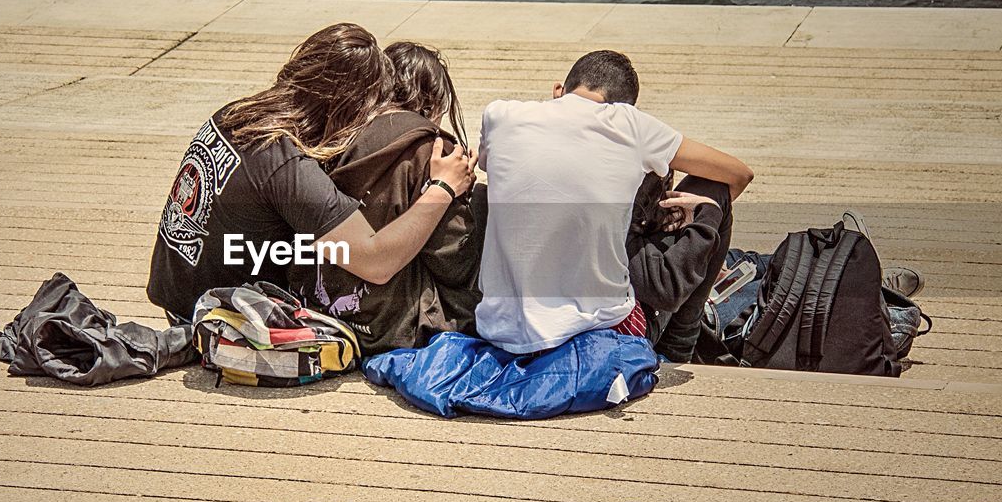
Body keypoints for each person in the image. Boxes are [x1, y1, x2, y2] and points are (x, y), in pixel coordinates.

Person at [147, 23, 476, 322]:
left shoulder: (237, 114)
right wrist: (442, 188)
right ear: (351, 102)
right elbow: (375, 262)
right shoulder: (286, 166)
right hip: (217, 317)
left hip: (174, 294)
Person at [476, 49, 752, 355]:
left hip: (500, 329)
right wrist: (701, 213)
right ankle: (679, 345)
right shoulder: (632, 125)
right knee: (713, 189)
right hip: (601, 336)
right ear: (623, 108)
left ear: (559, 90)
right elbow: (739, 175)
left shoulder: (499, 114)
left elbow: (494, 168)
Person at [288, 42, 482, 355]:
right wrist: (461, 194)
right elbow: (453, 262)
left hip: (319, 307)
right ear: (432, 100)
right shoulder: (431, 149)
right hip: (393, 325)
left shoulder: (334, 131)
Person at [626, 169, 733, 361]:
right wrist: (708, 216)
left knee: (707, 187)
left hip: (625, 255)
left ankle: (681, 340)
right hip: (619, 331)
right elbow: (666, 291)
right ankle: (677, 347)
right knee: (712, 198)